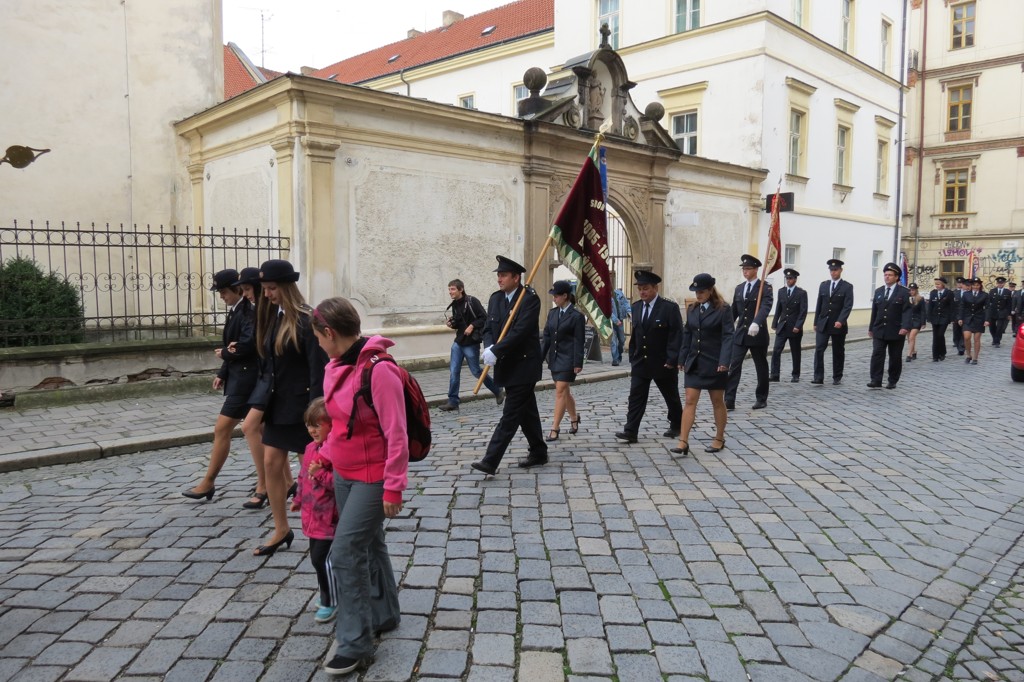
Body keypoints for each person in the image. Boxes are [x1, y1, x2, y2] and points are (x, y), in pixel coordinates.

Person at [312, 297, 406, 676]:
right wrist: (327, 455)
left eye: (318, 336)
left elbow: (395, 432)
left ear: (330, 333)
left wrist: (394, 487)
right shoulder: (335, 365)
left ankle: (354, 642)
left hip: (374, 476)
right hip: (344, 472)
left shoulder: (379, 370)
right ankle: (384, 614)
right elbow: (337, 423)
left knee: (346, 551)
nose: (316, 342)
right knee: (371, 543)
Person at [252, 259, 328, 557]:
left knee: (314, 471)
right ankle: (281, 527)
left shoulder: (306, 319)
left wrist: (317, 413)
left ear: (286, 287)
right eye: (265, 289)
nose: (267, 294)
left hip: (303, 409)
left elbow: (317, 369)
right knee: (271, 464)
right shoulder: (274, 317)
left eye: (271, 288)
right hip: (279, 406)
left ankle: (321, 523)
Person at [183, 269, 259, 501]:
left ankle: (208, 482)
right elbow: (232, 344)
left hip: (247, 379)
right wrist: (223, 371)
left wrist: (227, 353)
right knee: (258, 431)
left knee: (223, 429)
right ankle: (280, 482)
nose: (221, 297)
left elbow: (247, 343)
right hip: (239, 376)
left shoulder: (247, 312)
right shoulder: (237, 311)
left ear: (237, 289)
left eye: (224, 292)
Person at [471, 256, 547, 474]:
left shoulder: (529, 299)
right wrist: (488, 346)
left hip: (524, 366)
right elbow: (488, 327)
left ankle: (490, 460)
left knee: (511, 414)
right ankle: (539, 451)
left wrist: (497, 350)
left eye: (503, 275)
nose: (499, 279)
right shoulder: (496, 299)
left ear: (516, 277)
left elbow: (520, 332)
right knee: (526, 412)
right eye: (498, 275)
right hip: (505, 365)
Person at [615, 270, 683, 443]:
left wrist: (672, 359)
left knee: (671, 396)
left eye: (645, 288)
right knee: (636, 396)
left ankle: (677, 423)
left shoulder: (669, 308)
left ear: (655, 288)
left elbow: (676, 335)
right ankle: (631, 430)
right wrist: (632, 355)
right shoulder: (636, 307)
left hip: (663, 362)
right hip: (641, 362)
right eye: (640, 289)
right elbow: (637, 333)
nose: (642, 292)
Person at [671, 273, 733, 457]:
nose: (698, 295)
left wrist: (724, 361)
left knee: (717, 401)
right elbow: (687, 335)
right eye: (696, 291)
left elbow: (728, 336)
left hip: (715, 362)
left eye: (702, 291)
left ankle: (719, 438)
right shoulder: (692, 309)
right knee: (690, 400)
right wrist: (681, 359)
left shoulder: (723, 309)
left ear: (710, 290)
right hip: (695, 362)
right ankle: (683, 441)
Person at [290, 398, 339, 624]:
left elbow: (339, 484)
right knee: (316, 559)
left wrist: (319, 472)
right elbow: (302, 477)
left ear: (332, 425)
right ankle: (326, 593)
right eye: (309, 425)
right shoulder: (310, 448)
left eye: (317, 425)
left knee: (322, 560)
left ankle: (332, 599)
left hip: (329, 518)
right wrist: (298, 498)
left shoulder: (336, 452)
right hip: (312, 516)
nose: (311, 430)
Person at [438, 279, 503, 411]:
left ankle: (497, 390)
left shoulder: (472, 301)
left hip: (471, 343)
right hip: (458, 342)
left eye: (453, 289)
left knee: (476, 371)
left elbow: (484, 318)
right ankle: (453, 401)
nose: (450, 292)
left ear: (461, 289)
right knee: (454, 371)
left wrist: (472, 326)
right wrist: (452, 324)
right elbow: (459, 322)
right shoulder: (455, 305)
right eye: (449, 289)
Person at [725, 254, 773, 410]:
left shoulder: (764, 288)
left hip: (757, 333)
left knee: (761, 367)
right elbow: (734, 310)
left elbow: (766, 306)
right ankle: (729, 399)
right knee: (734, 366)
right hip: (741, 334)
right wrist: (725, 326)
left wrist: (757, 322)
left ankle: (761, 398)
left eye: (748, 269)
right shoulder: (740, 288)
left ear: (756, 270)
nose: (745, 271)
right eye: (743, 269)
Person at [540, 280, 585, 441]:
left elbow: (579, 341)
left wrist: (578, 362)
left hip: (568, 359)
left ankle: (555, 428)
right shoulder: (552, 313)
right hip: (555, 358)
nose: (554, 299)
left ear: (565, 296)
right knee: (564, 391)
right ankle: (574, 417)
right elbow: (546, 337)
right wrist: (539, 358)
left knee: (560, 391)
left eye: (556, 296)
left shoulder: (577, 316)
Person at [867, 262, 912, 389]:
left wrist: (905, 327)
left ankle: (892, 380)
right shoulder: (879, 291)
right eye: (885, 275)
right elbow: (875, 311)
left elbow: (907, 311)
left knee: (895, 356)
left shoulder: (904, 292)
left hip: (896, 330)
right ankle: (875, 379)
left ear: (896, 277)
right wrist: (871, 328)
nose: (887, 277)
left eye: (890, 275)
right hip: (879, 329)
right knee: (877, 354)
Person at [812, 258, 854, 385]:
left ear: (841, 270)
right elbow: (819, 303)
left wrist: (841, 320)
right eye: (831, 270)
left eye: (835, 270)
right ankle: (818, 376)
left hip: (837, 324)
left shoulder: (847, 286)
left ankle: (837, 376)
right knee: (819, 348)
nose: (833, 272)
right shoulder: (824, 285)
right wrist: (815, 322)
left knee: (838, 350)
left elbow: (848, 305)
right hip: (823, 323)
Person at [769, 268, 808, 383]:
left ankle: (795, 374)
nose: (788, 280)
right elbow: (778, 308)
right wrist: (775, 322)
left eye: (790, 278)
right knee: (776, 350)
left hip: (794, 327)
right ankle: (774, 374)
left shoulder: (801, 293)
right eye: (787, 278)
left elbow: (803, 311)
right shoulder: (781, 291)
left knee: (795, 351)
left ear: (795, 280)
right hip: (782, 326)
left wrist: (798, 325)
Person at [959, 277, 989, 365]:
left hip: (979, 319)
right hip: (967, 318)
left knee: (976, 339)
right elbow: (962, 307)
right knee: (966, 337)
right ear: (971, 286)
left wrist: (987, 320)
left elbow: (987, 308)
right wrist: (960, 318)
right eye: (974, 285)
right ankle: (968, 355)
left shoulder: (984, 295)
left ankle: (975, 357)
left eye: (977, 285)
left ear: (980, 286)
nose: (976, 287)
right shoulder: (966, 294)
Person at [928, 276, 953, 362]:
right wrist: (929, 317)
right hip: (935, 317)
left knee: (940, 335)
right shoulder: (933, 293)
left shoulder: (949, 293)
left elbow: (951, 306)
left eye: (938, 284)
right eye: (936, 284)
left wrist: (951, 318)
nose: (937, 286)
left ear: (943, 284)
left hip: (944, 317)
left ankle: (942, 352)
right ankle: (935, 355)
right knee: (935, 336)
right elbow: (930, 306)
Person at [609, 283, 631, 366]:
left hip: (620, 320)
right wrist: (615, 320)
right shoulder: (605, 297)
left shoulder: (619, 293)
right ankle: (615, 359)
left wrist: (629, 312)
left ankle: (619, 354)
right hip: (611, 321)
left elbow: (625, 303)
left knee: (622, 340)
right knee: (613, 341)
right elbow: (607, 311)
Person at [987, 276, 1012, 347]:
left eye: (1001, 283)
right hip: (993, 312)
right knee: (992, 327)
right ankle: (994, 338)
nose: (1000, 284)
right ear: (997, 283)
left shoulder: (1007, 292)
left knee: (1000, 328)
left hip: (1002, 312)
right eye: (999, 283)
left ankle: (997, 341)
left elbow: (1009, 304)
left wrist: (1008, 314)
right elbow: (989, 302)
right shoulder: (992, 291)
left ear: (1004, 283)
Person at [906, 283, 925, 362]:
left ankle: (908, 355)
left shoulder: (920, 299)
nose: (911, 291)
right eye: (910, 290)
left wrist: (923, 322)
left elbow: (923, 311)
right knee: (909, 338)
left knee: (911, 337)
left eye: (913, 290)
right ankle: (913, 352)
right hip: (908, 321)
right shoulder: (906, 298)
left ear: (916, 290)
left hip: (917, 321)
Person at [951, 277, 967, 355]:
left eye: (961, 283)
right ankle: (957, 344)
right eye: (958, 283)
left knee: (963, 331)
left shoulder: (967, 293)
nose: (960, 285)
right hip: (955, 316)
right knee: (956, 332)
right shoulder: (954, 293)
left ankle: (961, 347)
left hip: (965, 316)